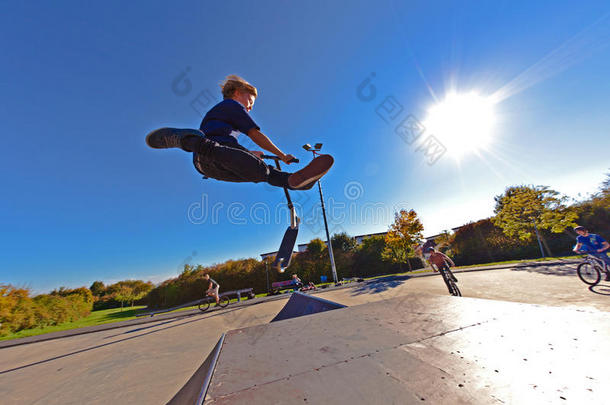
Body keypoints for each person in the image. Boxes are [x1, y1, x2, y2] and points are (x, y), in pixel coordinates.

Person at [146, 75, 334, 190]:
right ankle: (186, 140)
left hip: (208, 168)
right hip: (209, 151)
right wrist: (282, 155)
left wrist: (249, 155)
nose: (250, 107)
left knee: (261, 173)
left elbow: (233, 151)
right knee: (222, 151)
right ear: (237, 93)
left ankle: (294, 182)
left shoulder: (228, 113)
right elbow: (255, 135)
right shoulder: (232, 105)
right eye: (250, 101)